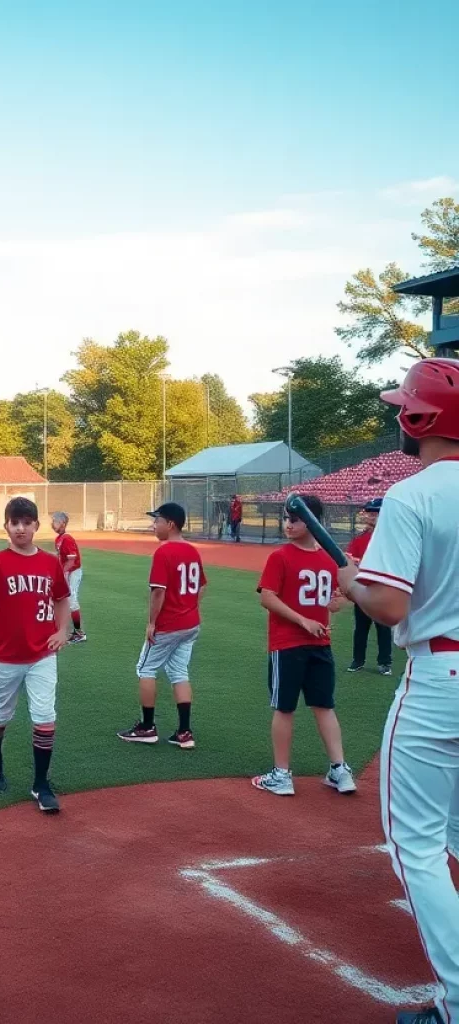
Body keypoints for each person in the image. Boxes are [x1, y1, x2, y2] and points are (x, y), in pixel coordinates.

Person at [336, 357, 459, 1024]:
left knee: (414, 843)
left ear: (421, 419)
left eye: (401, 410)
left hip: (441, 678)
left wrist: (353, 580)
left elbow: (386, 606)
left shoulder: (414, 493)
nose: (396, 419)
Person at [0, 497, 71, 813]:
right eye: (14, 522)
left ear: (36, 525)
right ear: (7, 526)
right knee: (0, 717)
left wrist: (62, 630)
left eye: (26, 522)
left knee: (45, 716)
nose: (21, 528)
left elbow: (62, 598)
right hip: (5, 657)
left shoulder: (49, 562)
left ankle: (41, 784)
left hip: (42, 655)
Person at [251, 494, 355, 797]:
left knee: (286, 708)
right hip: (317, 643)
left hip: (291, 644)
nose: (288, 524)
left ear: (311, 522)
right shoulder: (328, 558)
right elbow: (339, 597)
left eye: (294, 518)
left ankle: (283, 774)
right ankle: (339, 769)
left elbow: (267, 597)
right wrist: (331, 607)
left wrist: (311, 617)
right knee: (323, 706)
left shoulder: (282, 556)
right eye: (287, 518)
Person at [118, 502, 206, 749]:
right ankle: (184, 732)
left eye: (157, 520)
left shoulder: (164, 552)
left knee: (145, 669)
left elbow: (158, 592)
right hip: (190, 624)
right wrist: (189, 608)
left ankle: (147, 728)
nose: (153, 525)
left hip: (169, 625)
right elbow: (202, 587)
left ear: (170, 524)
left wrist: (151, 624)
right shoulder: (192, 551)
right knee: (179, 672)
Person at [345, 498, 393, 676]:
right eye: (369, 512)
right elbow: (350, 564)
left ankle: (385, 662)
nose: (371, 516)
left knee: (383, 628)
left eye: (375, 512)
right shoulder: (360, 540)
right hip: (363, 591)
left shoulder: (391, 539)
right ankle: (358, 660)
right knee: (361, 628)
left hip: (382, 591)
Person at [51, 511, 86, 643]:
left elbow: (72, 560)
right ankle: (59, 628)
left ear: (63, 523)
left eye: (55, 521)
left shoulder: (67, 538)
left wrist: (63, 574)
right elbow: (61, 558)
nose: (52, 524)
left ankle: (79, 633)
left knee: (71, 599)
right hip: (66, 572)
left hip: (73, 572)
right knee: (60, 598)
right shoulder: (58, 539)